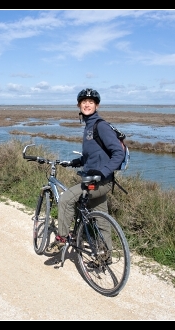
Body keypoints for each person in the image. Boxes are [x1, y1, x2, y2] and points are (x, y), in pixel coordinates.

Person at [45, 88, 125, 255]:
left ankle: (62, 238)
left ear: (97, 105)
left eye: (91, 102)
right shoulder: (89, 126)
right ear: (78, 105)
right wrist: (76, 162)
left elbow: (119, 153)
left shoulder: (100, 126)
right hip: (97, 180)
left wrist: (102, 172)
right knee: (102, 220)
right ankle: (105, 254)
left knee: (66, 199)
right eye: (84, 102)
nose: (87, 105)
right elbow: (93, 154)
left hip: (98, 181)